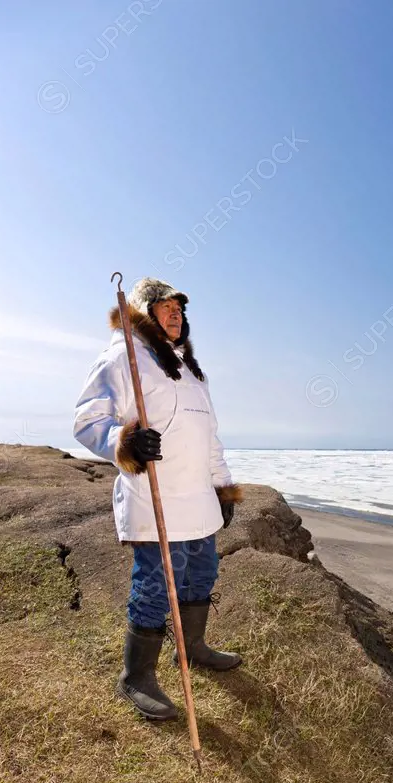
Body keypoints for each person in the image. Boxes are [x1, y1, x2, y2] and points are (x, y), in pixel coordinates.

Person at [73, 277, 243, 722]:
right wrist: (123, 441)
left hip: (198, 498)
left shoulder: (190, 368)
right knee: (155, 586)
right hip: (156, 498)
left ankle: (193, 648)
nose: (176, 315)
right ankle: (136, 677)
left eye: (180, 309)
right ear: (145, 312)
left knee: (202, 573)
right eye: (165, 307)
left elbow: (209, 437)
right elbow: (88, 419)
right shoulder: (124, 357)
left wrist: (222, 487)